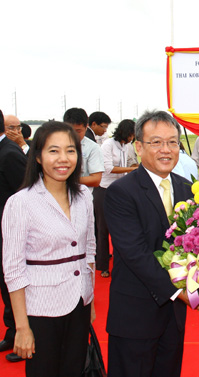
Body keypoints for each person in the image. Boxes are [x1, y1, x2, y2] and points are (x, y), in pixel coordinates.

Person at [2, 121, 96, 375]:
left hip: (79, 302)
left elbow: (89, 249)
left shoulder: (84, 195)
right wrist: (21, 327)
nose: (63, 158)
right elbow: (12, 269)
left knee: (74, 369)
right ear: (39, 157)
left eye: (70, 150)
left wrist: (91, 298)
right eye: (53, 151)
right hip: (41, 308)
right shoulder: (21, 203)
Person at [104, 110, 193, 377]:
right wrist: (179, 292)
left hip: (174, 316)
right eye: (156, 142)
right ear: (139, 147)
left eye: (173, 142)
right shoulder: (122, 192)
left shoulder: (188, 188)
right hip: (135, 314)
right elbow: (135, 253)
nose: (166, 150)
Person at [94, 119, 138, 278]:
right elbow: (108, 168)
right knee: (103, 229)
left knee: (122, 229)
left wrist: (134, 168)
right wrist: (132, 170)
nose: (133, 137)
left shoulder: (128, 146)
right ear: (126, 132)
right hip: (105, 190)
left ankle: (124, 264)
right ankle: (103, 265)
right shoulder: (107, 145)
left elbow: (132, 163)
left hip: (122, 190)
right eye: (132, 134)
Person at [0, 109, 27, 363]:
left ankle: (26, 337)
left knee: (16, 284)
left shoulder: (9, 153)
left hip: (12, 232)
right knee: (5, 284)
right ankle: (12, 332)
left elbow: (26, 191)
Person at [63, 108, 104, 191]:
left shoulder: (93, 148)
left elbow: (96, 180)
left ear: (86, 127)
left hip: (81, 196)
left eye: (78, 131)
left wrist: (64, 179)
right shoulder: (56, 144)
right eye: (70, 130)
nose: (74, 135)